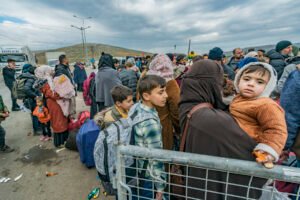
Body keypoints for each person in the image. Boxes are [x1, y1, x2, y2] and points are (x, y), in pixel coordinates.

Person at [179, 60, 266, 199]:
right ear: (210, 84)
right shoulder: (211, 119)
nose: (220, 87)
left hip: (200, 186)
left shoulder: (189, 104)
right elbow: (250, 152)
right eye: (219, 83)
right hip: (216, 190)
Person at [230, 62, 287, 168]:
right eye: (246, 79)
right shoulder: (239, 98)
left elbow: (276, 130)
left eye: (259, 82)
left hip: (252, 150)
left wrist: (268, 150)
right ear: (238, 80)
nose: (251, 84)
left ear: (268, 86)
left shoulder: (266, 105)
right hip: (236, 146)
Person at [129, 75, 167, 200]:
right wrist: (160, 187)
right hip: (147, 177)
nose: (166, 95)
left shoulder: (135, 107)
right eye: (161, 92)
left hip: (135, 170)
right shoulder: (150, 123)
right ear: (146, 96)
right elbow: (156, 158)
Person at [147, 54, 180, 150]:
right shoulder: (170, 82)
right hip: (162, 126)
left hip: (145, 121)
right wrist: (178, 129)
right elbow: (176, 109)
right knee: (162, 156)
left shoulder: (145, 78)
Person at [35, 65, 69, 148]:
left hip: (51, 103)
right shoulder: (47, 82)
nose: (51, 71)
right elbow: (53, 94)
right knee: (59, 121)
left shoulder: (43, 81)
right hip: (54, 104)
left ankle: (61, 140)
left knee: (57, 121)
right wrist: (64, 94)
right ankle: (60, 142)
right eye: (49, 70)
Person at [19, 64, 41, 135]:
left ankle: (38, 128)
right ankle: (37, 130)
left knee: (34, 114)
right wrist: (35, 95)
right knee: (35, 114)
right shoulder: (30, 78)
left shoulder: (27, 76)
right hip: (31, 99)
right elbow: (26, 89)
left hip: (29, 99)